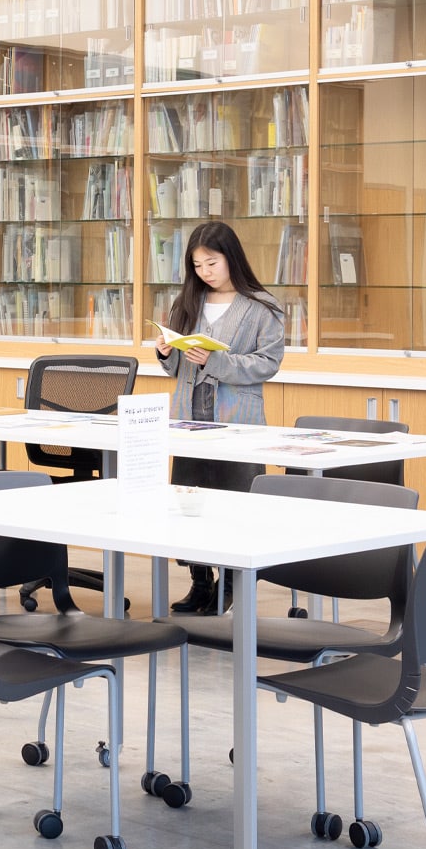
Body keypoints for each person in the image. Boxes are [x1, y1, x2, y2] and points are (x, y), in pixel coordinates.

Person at [156, 220, 285, 613]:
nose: (205, 273)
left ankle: (230, 585)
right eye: (197, 266)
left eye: (211, 263)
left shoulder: (262, 306)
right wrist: (165, 352)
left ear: (231, 258)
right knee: (187, 501)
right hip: (189, 417)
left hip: (236, 419)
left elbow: (268, 363)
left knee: (234, 505)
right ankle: (200, 581)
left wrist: (218, 361)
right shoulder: (188, 304)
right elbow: (177, 367)